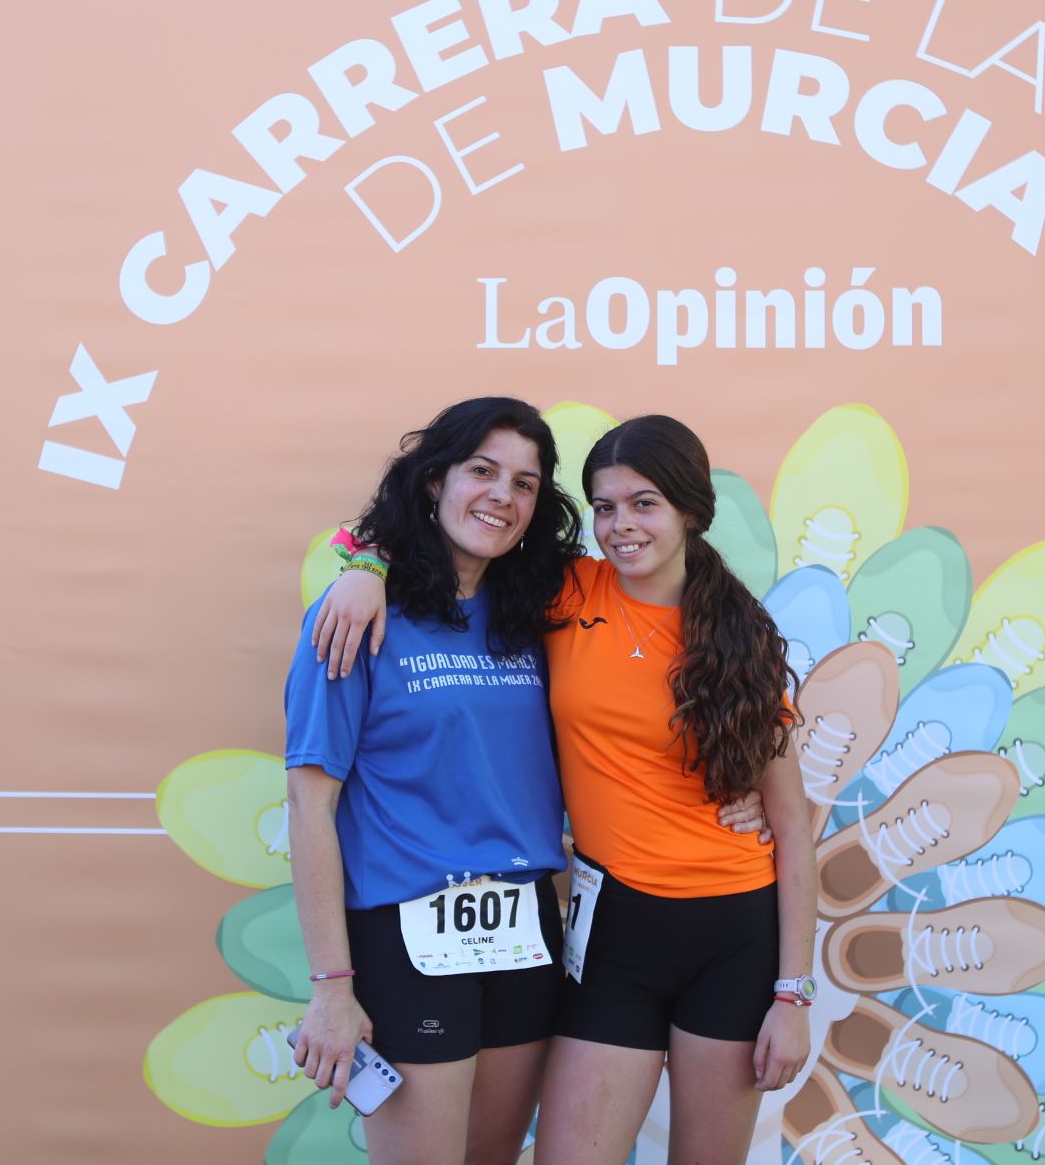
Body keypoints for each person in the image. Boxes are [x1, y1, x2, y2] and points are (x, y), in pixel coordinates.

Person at [318, 413, 817, 1165]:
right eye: (605, 508)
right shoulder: (561, 592)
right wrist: (365, 566)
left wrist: (793, 995)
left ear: (689, 510)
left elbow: (793, 825)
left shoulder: (743, 637)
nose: (620, 526)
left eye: (643, 504)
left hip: (734, 933)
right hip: (613, 932)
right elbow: (457, 536)